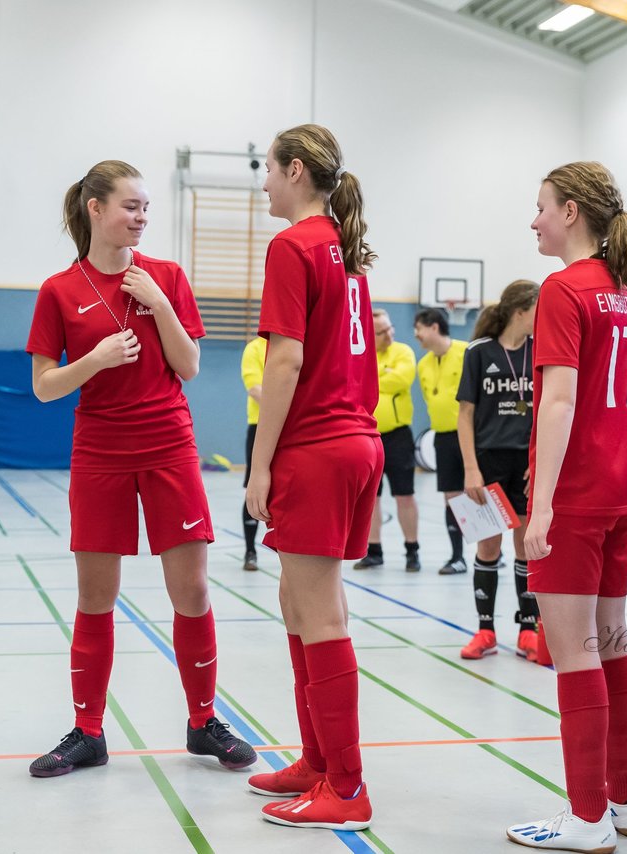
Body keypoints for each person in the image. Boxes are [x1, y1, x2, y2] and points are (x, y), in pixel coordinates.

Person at [26, 160, 256, 778]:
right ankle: (88, 730)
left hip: (168, 444)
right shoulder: (59, 290)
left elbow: (190, 365)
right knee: (95, 597)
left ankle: (203, 721)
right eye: (131, 206)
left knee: (193, 590)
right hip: (99, 448)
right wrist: (95, 360)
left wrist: (160, 305)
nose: (142, 217)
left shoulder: (167, 277)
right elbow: (45, 387)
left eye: (146, 207)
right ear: (95, 209)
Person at [506, 161, 627, 851]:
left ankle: (587, 818)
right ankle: (626, 799)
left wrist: (541, 510)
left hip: (578, 495)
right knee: (612, 642)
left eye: (540, 207)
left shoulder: (563, 289)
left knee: (575, 657)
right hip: (625, 488)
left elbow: (559, 402)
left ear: (570, 212)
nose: (533, 220)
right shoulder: (624, 294)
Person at [244, 123, 382, 830]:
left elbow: (287, 361)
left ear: (295, 170)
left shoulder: (294, 245)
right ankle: (319, 761)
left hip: (319, 447)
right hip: (355, 442)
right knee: (300, 606)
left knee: (320, 614)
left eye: (267, 169)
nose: (263, 181)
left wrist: (258, 465)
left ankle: (347, 787)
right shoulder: (345, 250)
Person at [454, 280, 540, 662]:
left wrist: (540, 462)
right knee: (488, 545)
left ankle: (528, 629)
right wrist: (471, 469)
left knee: (526, 546)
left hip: (526, 464)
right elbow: (465, 415)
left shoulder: (541, 351)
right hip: (486, 462)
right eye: (539, 308)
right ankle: (485, 629)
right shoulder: (478, 352)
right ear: (520, 311)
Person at [355, 308, 420, 571]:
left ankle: (412, 550)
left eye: (390, 329)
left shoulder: (403, 352)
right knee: (372, 498)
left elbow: (401, 380)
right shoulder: (361, 354)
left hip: (398, 437)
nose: (389, 335)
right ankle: (374, 550)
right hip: (368, 435)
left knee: (405, 495)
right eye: (381, 332)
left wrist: (373, 379)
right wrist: (379, 379)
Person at [414, 307, 469, 575]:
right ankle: (457, 556)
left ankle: (491, 552)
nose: (417, 336)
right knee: (451, 496)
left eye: (419, 330)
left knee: (481, 495)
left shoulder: (466, 352)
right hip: (443, 437)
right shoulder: (422, 364)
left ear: (434, 327)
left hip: (470, 436)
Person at [241, 335, 268, 571]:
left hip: (295, 428)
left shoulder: (299, 344)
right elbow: (255, 388)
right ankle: (250, 550)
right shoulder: (255, 349)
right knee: (254, 487)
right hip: (261, 426)